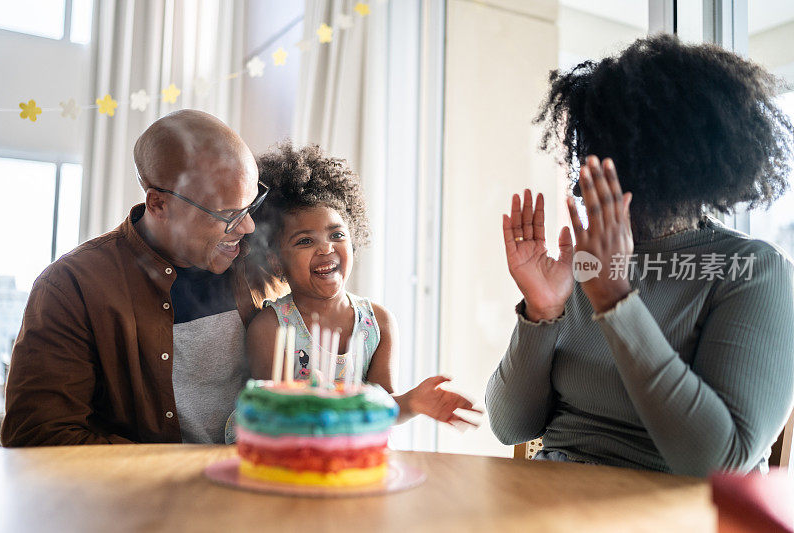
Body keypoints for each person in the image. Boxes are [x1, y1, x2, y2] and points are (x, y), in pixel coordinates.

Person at [486, 35, 794, 476]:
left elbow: (719, 463)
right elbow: (510, 426)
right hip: (556, 497)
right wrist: (542, 312)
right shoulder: (585, 262)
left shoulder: (751, 270)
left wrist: (617, 301)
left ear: (689, 167)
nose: (592, 179)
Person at [2, 109, 266, 446]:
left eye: (250, 206)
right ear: (158, 204)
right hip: (141, 498)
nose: (248, 227)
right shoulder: (72, 287)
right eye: (228, 215)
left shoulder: (260, 267)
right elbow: (39, 436)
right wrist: (180, 474)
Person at [244, 142, 480, 426]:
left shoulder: (378, 323)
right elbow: (271, 416)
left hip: (352, 462)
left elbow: (382, 409)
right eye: (305, 241)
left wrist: (413, 402)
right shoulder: (270, 328)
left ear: (353, 242)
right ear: (275, 262)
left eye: (337, 235)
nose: (325, 249)